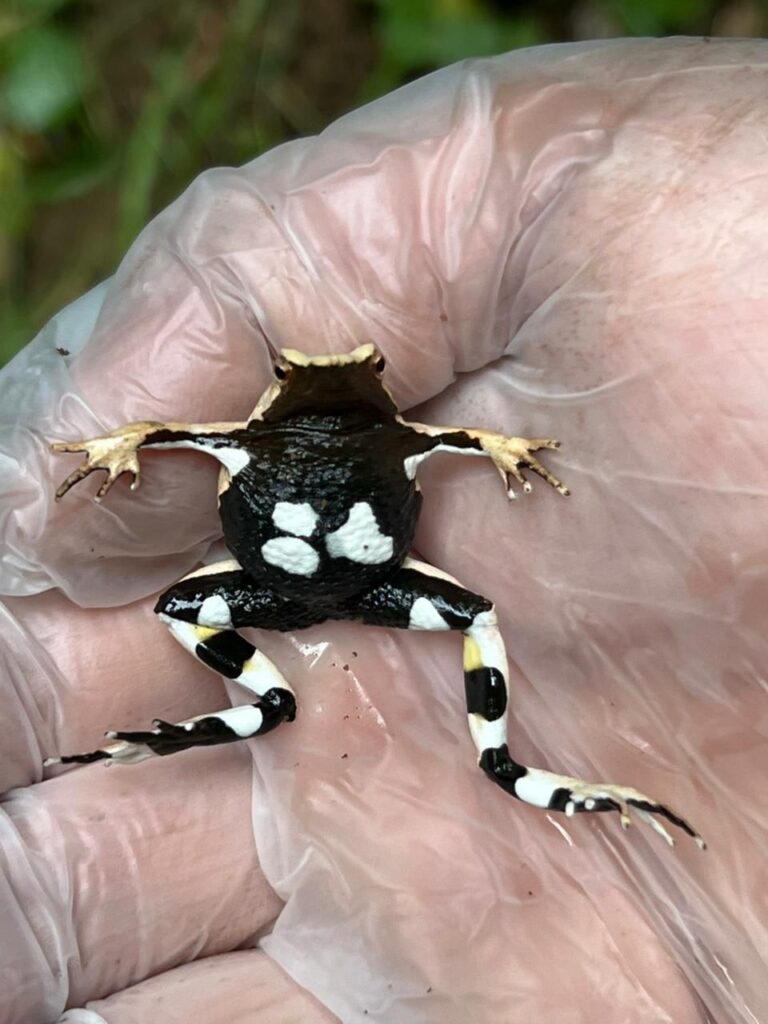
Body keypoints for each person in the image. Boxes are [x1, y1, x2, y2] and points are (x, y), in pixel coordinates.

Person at [0, 36, 764, 1024]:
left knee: (474, 615)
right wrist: (119, 449)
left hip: (365, 588)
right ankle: (255, 701)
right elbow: (170, 426)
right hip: (298, 591)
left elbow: (445, 436)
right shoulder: (251, 438)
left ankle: (501, 760)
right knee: (190, 604)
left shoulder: (391, 436)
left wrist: (504, 451)